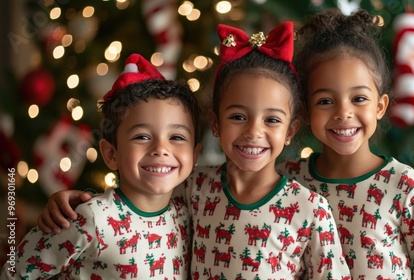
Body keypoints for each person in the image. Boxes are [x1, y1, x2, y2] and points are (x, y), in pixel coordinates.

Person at [35, 22, 352, 279]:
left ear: (290, 131)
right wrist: (69, 200)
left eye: (271, 119)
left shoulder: (310, 210)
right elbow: (134, 204)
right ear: (215, 124)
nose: (254, 132)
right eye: (238, 117)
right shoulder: (193, 189)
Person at [1, 53, 201, 279]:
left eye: (176, 137)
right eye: (142, 137)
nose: (161, 148)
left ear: (195, 155)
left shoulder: (191, 216)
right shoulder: (91, 219)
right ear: (110, 154)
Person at [277, 9, 414, 279]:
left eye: (359, 99)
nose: (343, 113)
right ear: (305, 110)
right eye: (325, 101)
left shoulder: (405, 187)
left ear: (380, 106)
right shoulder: (287, 181)